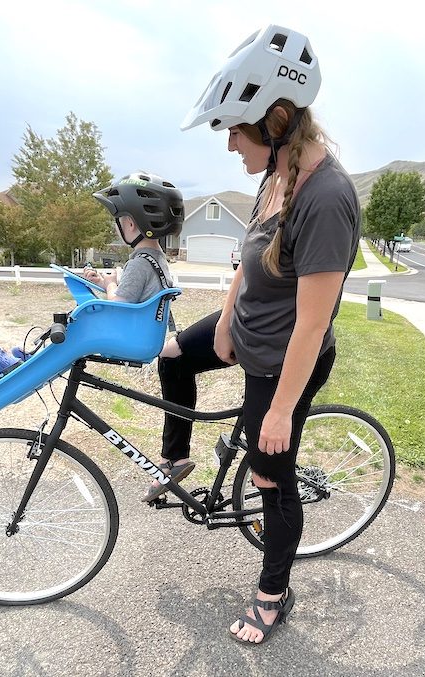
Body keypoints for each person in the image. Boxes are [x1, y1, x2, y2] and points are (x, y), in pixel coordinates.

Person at [154, 24, 361, 644]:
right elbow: (247, 260)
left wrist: (280, 410)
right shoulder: (276, 176)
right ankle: (179, 458)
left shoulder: (325, 198)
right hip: (247, 336)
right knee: (172, 357)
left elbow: (313, 321)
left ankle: (274, 594)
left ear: (274, 119)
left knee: (270, 476)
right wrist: (222, 323)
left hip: (284, 362)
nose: (230, 147)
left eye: (235, 131)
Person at [0, 171, 183, 371]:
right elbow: (134, 296)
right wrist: (102, 283)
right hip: (141, 336)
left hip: (130, 339)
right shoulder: (156, 260)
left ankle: (25, 367)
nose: (116, 227)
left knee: (76, 325)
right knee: (75, 325)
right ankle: (35, 356)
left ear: (131, 224)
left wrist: (111, 284)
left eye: (118, 220)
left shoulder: (140, 263)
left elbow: (118, 304)